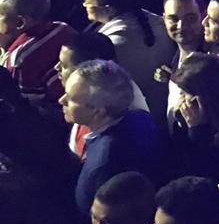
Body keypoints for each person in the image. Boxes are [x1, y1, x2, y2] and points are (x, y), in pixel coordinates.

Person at [63, 58, 164, 214]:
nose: (61, 100)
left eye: (71, 99)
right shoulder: (141, 117)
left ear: (98, 112)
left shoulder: (103, 166)